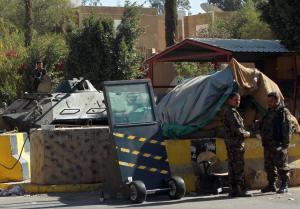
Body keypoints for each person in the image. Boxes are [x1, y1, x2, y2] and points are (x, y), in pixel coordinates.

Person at [259, 92, 292, 194]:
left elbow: (287, 129)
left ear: (277, 100)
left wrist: (284, 145)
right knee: (269, 165)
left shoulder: (283, 112)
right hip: (268, 144)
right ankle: (271, 185)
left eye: (271, 101)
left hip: (278, 144)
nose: (269, 103)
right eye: (268, 101)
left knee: (281, 164)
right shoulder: (269, 111)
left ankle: (284, 185)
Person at [221, 92, 251, 197]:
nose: (238, 102)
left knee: (232, 166)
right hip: (235, 144)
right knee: (238, 166)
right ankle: (238, 189)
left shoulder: (230, 111)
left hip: (232, 143)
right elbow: (237, 129)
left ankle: (234, 189)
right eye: (235, 100)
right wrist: (247, 134)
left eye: (239, 100)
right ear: (229, 100)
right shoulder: (231, 112)